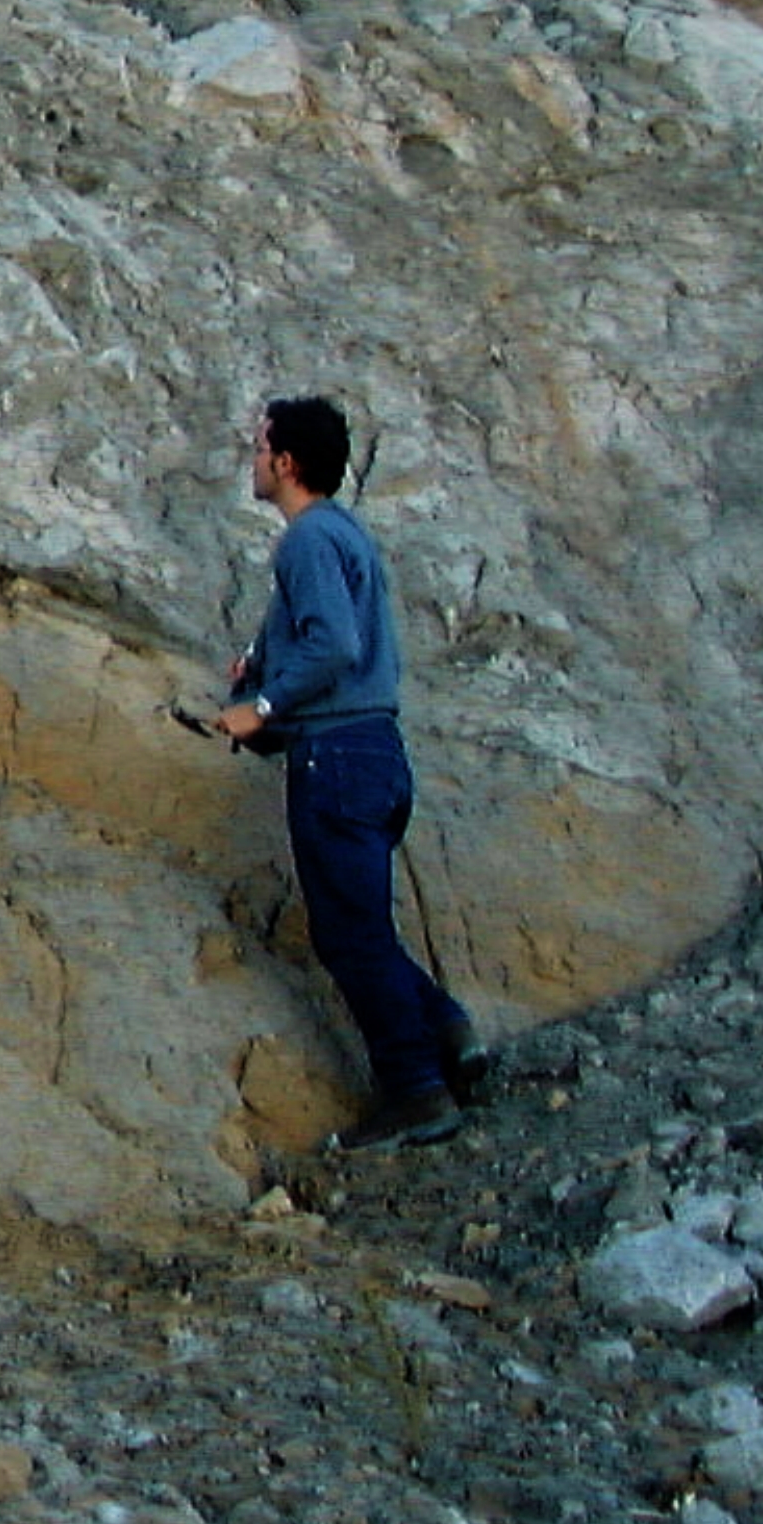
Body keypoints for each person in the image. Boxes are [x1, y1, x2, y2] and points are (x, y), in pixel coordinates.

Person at [216, 396, 486, 1152]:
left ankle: (414, 1092)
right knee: (359, 925)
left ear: (286, 461)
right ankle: (447, 1031)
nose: (252, 458)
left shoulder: (304, 540)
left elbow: (331, 644)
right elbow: (344, 644)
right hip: (374, 753)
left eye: (259, 445)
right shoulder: (344, 535)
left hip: (333, 759)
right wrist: (265, 661)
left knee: (347, 935)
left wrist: (259, 704)